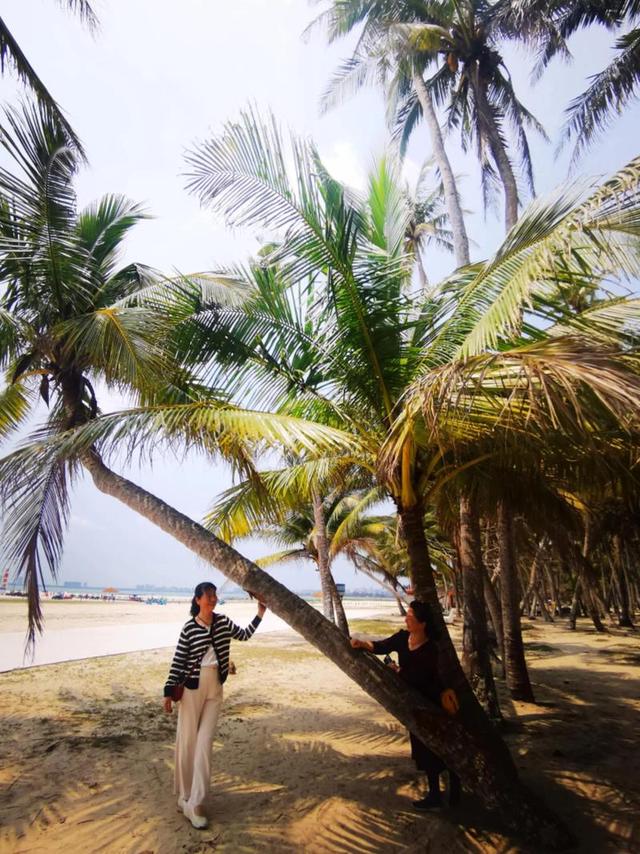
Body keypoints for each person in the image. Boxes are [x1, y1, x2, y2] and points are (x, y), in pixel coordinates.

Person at [163, 581, 266, 829]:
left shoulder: (223, 622)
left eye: (214, 594)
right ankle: (185, 796)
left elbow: (244, 635)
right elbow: (179, 659)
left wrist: (260, 613)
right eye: (208, 595)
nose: (213, 598)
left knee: (205, 744)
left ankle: (196, 802)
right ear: (197, 599)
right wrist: (168, 691)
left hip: (215, 688)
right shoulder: (189, 627)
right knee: (187, 741)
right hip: (191, 689)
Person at [350, 599, 460, 811]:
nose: (406, 619)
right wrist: (362, 644)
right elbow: (382, 646)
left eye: (410, 617)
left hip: (432, 702)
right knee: (424, 749)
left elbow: (422, 677)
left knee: (439, 748)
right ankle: (436, 794)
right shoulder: (402, 637)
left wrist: (398, 671)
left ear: (422, 623)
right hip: (414, 704)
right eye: (407, 615)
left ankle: (453, 787)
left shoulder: (431, 648)